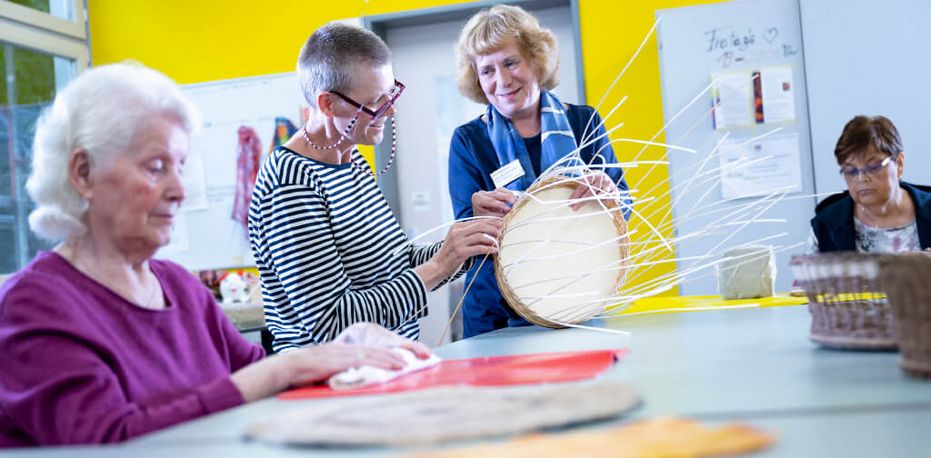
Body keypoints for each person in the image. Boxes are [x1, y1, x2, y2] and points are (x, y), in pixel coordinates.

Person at [0, 63, 430, 447]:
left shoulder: (178, 286)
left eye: (179, 166)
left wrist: (345, 350)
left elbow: (264, 380)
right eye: (155, 167)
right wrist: (286, 368)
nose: (179, 189)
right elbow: (108, 440)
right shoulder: (32, 306)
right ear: (83, 172)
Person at [248, 24, 501, 352]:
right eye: (375, 102)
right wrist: (439, 265)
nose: (390, 110)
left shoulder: (351, 162)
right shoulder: (291, 183)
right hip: (335, 383)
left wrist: (468, 243)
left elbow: (395, 262)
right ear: (327, 104)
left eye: (391, 94)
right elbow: (332, 322)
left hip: (384, 365)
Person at [448, 5, 632, 337]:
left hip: (577, 301)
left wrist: (610, 194)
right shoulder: (468, 140)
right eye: (487, 70)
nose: (501, 80)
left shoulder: (583, 122)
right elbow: (465, 230)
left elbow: (624, 208)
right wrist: (476, 216)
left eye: (510, 62)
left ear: (536, 59)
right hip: (496, 316)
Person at [811, 115, 931, 253]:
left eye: (873, 167)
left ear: (899, 164)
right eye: (851, 171)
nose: (861, 178)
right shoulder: (827, 225)